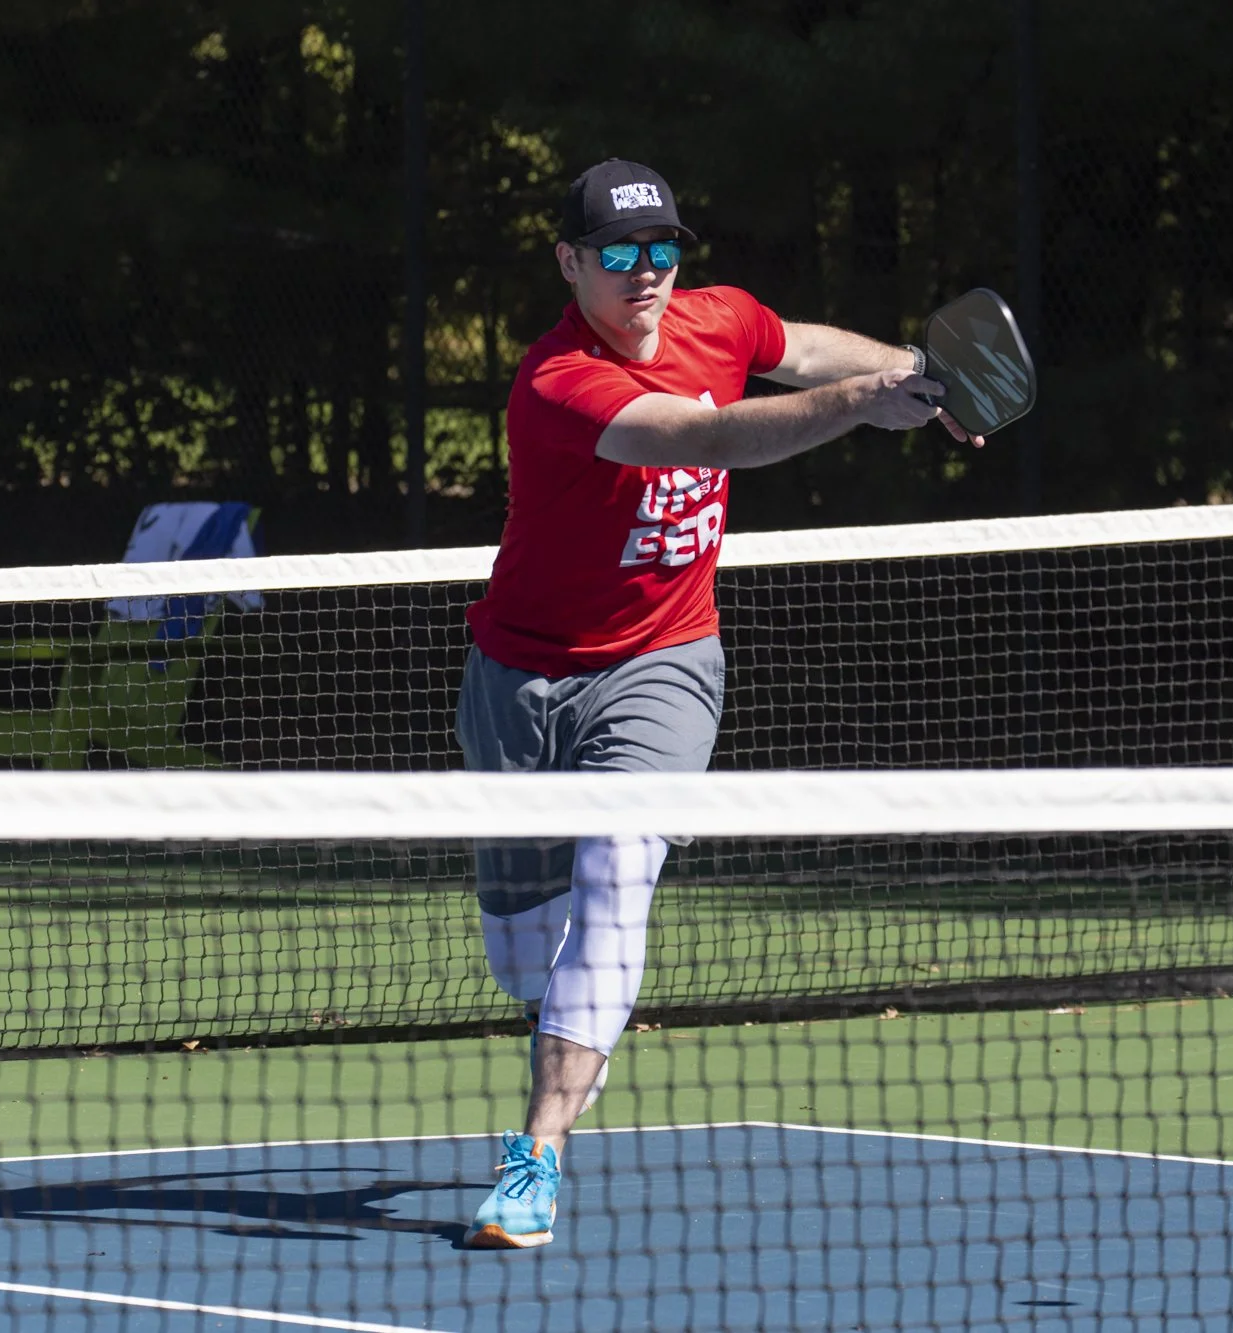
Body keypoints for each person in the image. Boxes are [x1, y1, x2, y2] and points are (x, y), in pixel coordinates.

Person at [410, 158, 977, 1249]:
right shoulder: (556, 382)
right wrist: (864, 408)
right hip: (520, 678)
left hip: (664, 660)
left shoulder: (715, 316)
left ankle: (536, 1152)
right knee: (525, 959)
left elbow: (798, 346)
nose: (645, 274)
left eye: (662, 250)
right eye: (617, 255)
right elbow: (711, 434)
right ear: (569, 261)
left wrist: (912, 367)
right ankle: (577, 1017)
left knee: (620, 868)